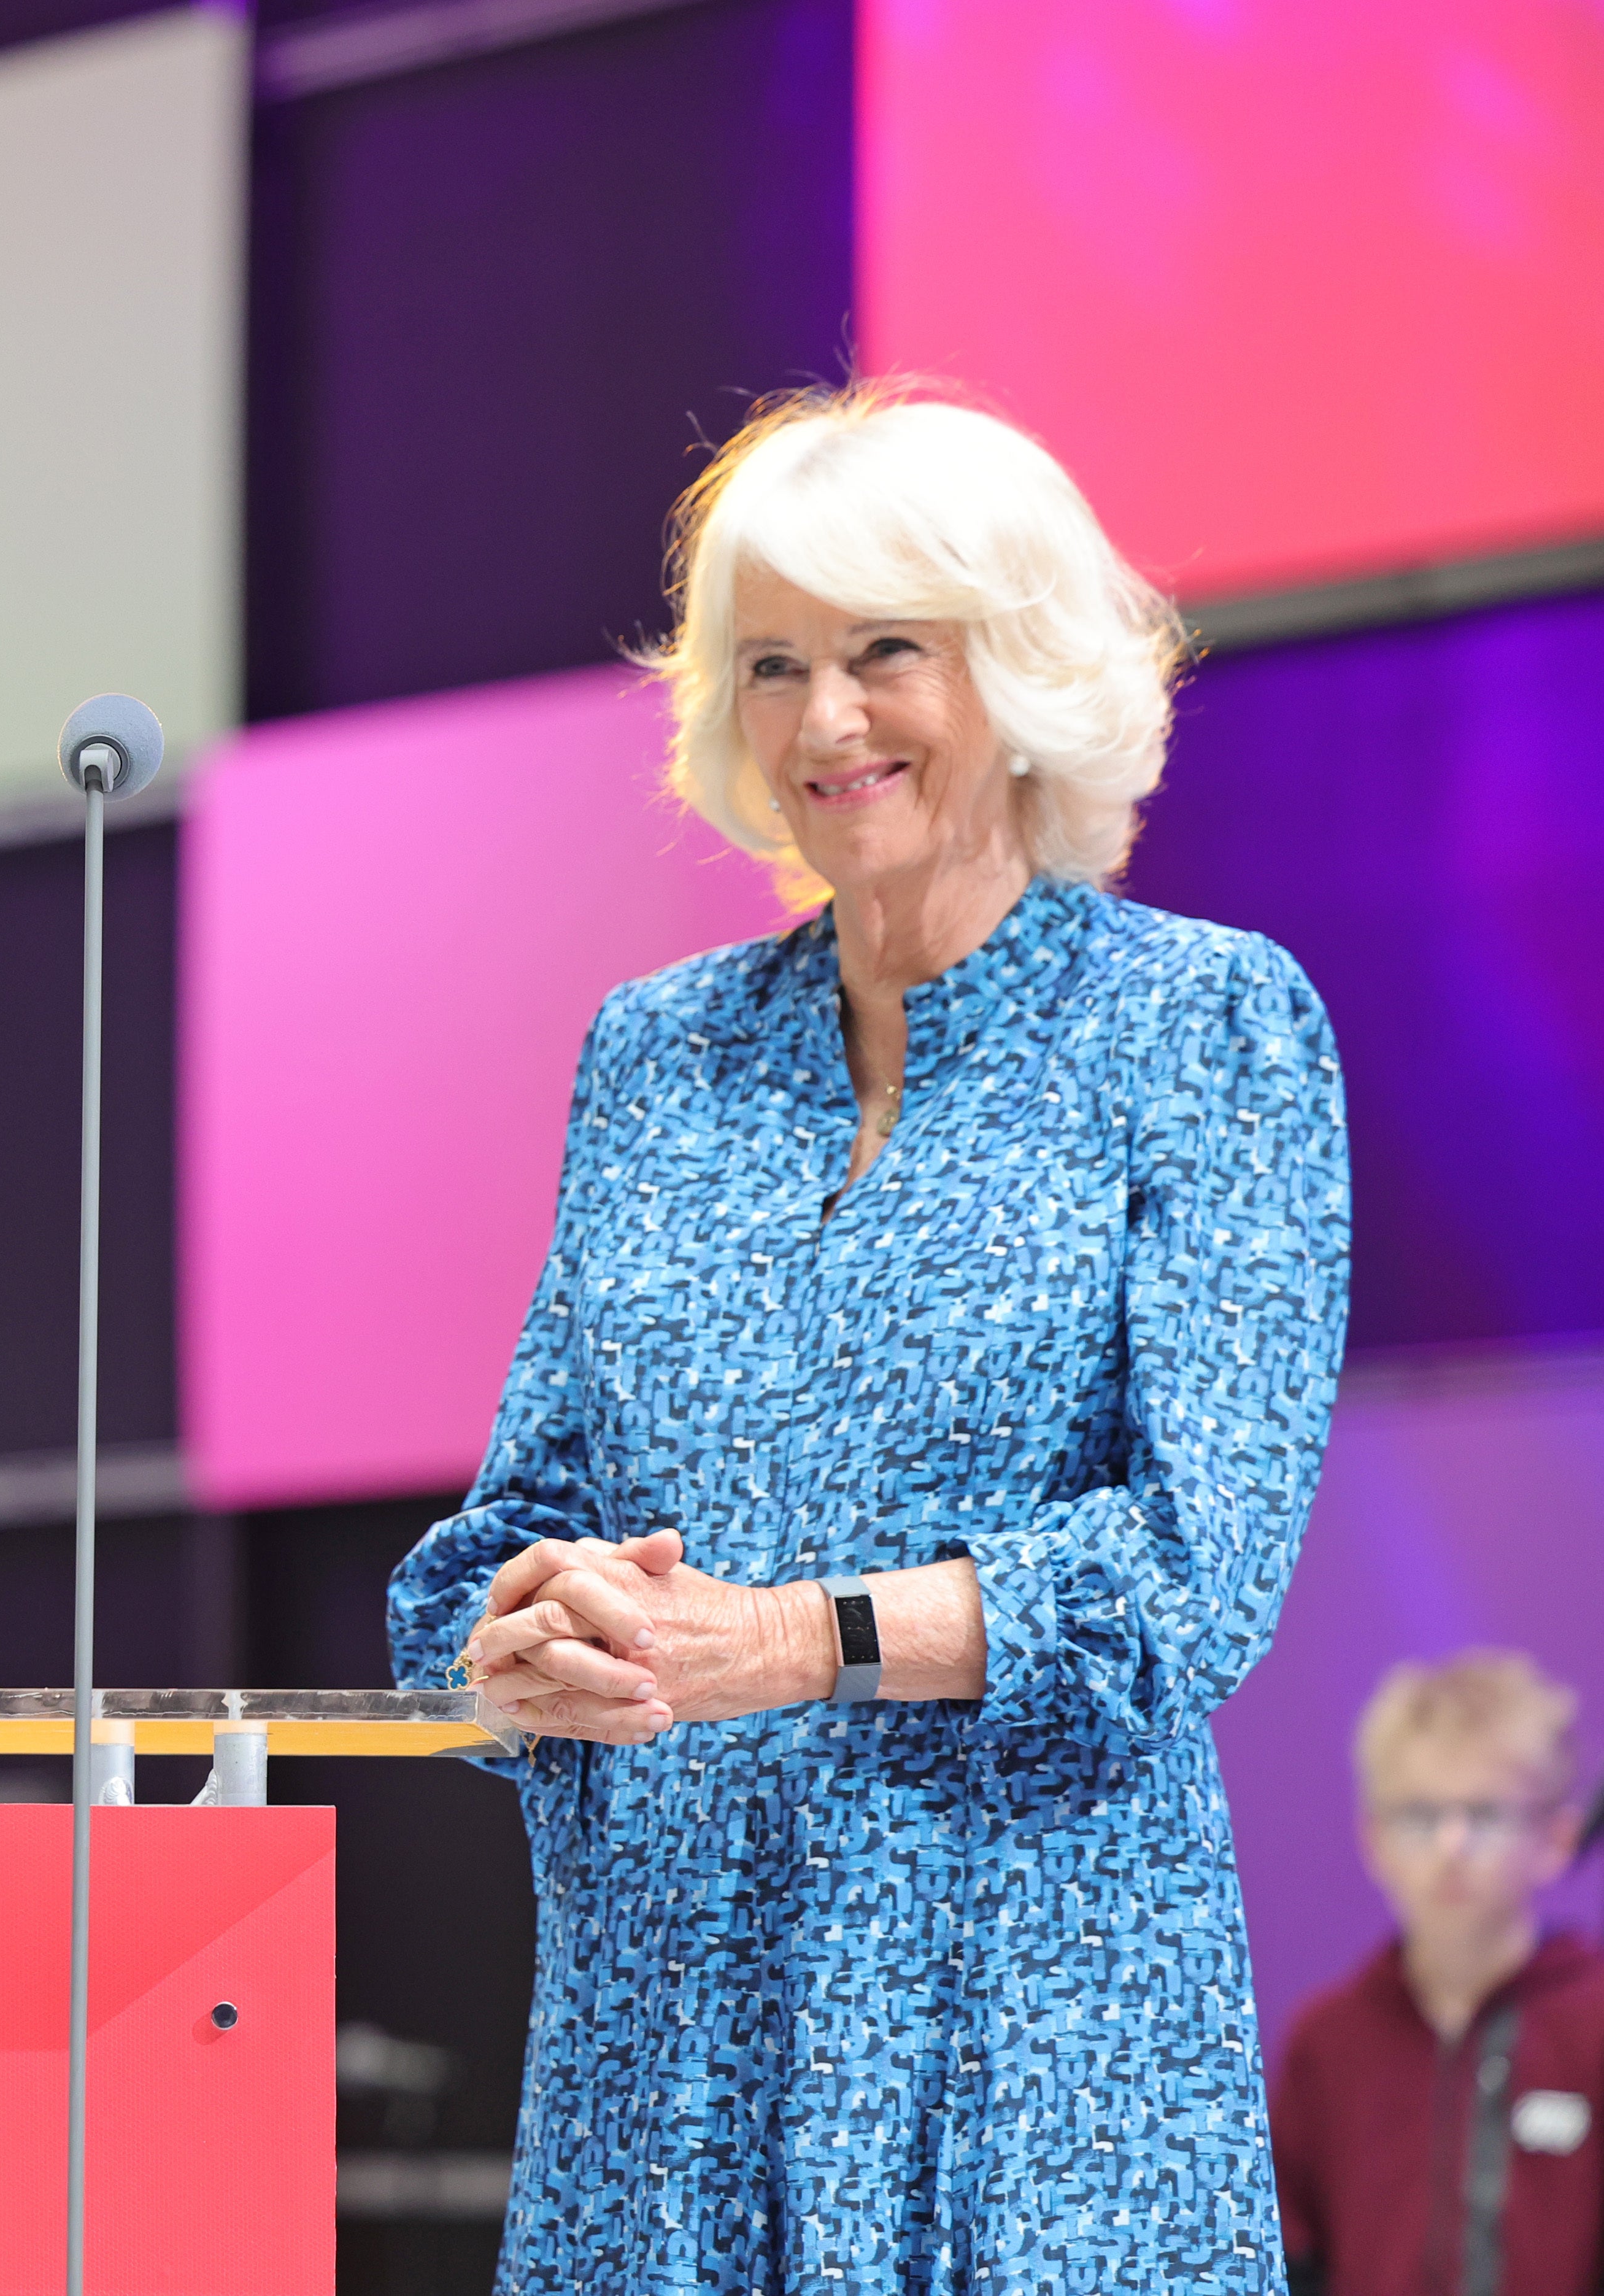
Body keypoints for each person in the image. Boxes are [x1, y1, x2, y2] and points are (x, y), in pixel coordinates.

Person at [384, 382, 1352, 2288]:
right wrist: (513, 1626)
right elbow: (507, 1519)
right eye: (771, 664)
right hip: (658, 2046)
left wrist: (793, 1637)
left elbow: (1186, 1575)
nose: (824, 719)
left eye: (883, 652)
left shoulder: (1205, 1027)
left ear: (1020, 668)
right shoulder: (650, 1057)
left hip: (1030, 2038)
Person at [1274, 1652, 1604, 2295]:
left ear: (1555, 1838)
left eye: (1484, 1815)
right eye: (1419, 1816)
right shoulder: (1327, 2041)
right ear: (1373, 1841)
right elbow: (1291, 2256)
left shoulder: (1592, 2025)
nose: (1450, 1847)